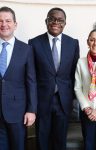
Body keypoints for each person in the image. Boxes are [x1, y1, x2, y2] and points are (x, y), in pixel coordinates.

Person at [28, 7, 80, 150]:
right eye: (52, 19)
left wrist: (74, 98)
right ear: (46, 21)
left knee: (60, 141)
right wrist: (32, 103)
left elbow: (75, 73)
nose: (56, 22)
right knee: (42, 140)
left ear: (65, 23)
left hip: (64, 100)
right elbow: (31, 75)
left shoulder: (73, 43)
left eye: (60, 20)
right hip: (42, 99)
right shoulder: (34, 43)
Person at [0, 6, 37, 150]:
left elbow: (31, 81)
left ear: (15, 24)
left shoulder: (26, 49)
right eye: (0, 21)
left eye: (8, 21)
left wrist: (32, 110)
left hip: (18, 111)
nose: (4, 24)